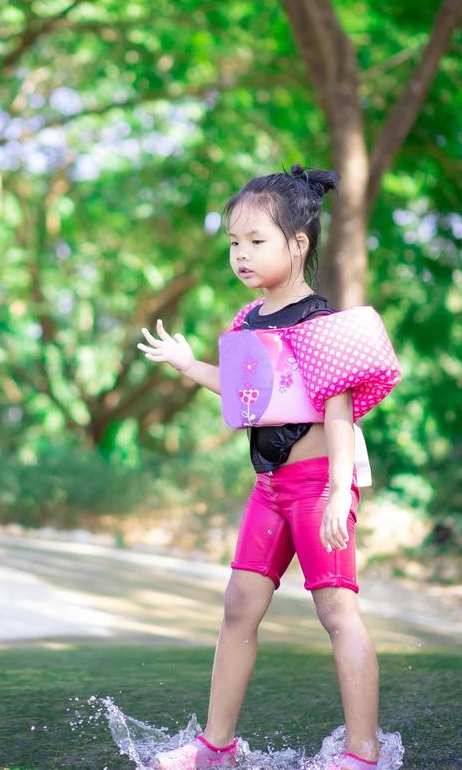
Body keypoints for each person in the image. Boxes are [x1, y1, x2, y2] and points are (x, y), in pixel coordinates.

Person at [136, 164, 390, 770]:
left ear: (298, 245)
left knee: (335, 610)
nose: (241, 255)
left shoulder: (323, 323)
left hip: (319, 483)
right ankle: (215, 748)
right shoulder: (247, 323)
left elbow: (338, 410)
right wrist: (187, 364)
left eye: (257, 241)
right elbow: (242, 394)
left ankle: (363, 754)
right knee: (238, 605)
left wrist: (337, 494)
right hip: (270, 487)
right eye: (233, 243)